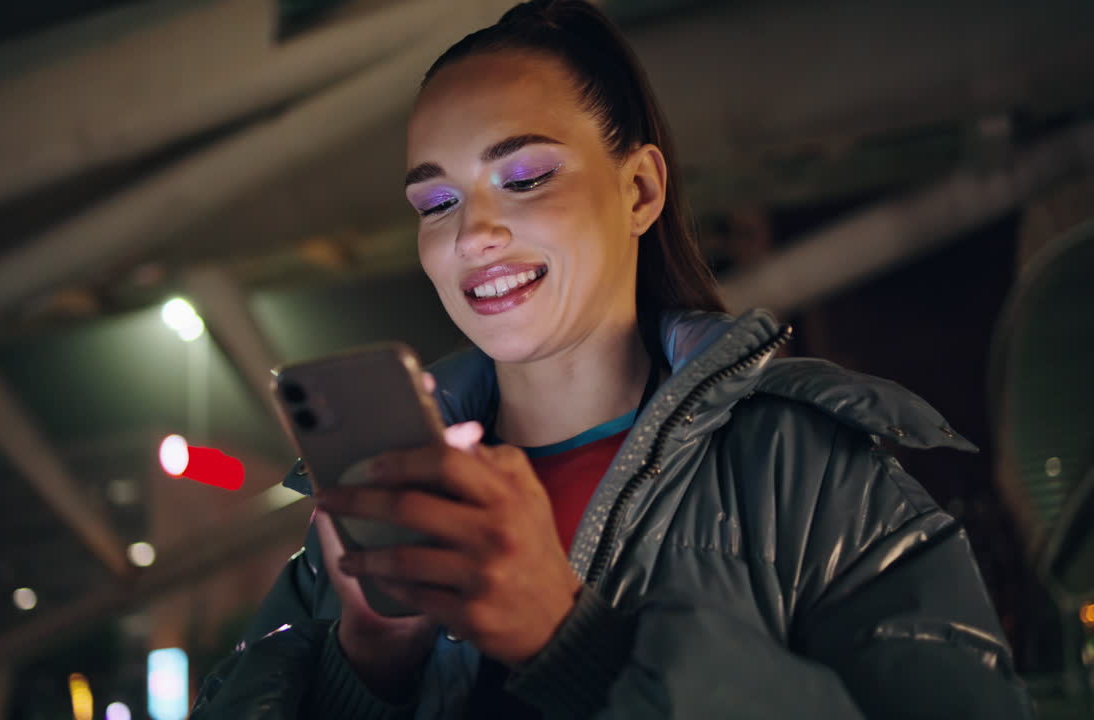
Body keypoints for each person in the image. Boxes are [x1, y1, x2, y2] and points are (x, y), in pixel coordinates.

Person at [190, 1, 1034, 718]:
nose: (471, 234)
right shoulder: (370, 520)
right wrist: (366, 656)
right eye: (436, 201)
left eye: (523, 178)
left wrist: (578, 643)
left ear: (640, 191)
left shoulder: (810, 478)